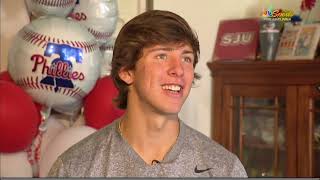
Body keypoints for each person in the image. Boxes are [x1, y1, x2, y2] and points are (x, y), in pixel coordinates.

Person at [48, 10, 247, 177]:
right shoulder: (75, 168)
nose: (178, 69)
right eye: (162, 56)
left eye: (186, 58)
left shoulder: (225, 169)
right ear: (127, 71)